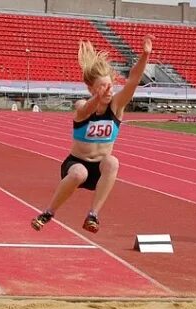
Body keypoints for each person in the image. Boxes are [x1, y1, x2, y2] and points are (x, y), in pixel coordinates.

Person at [31, 35, 153, 233]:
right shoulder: (82, 105)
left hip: (100, 169)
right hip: (76, 163)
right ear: (91, 89)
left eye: (109, 85)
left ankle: (93, 215)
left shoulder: (116, 106)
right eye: (101, 87)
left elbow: (133, 81)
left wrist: (145, 55)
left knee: (112, 161)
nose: (108, 90)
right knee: (80, 173)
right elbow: (85, 110)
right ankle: (49, 212)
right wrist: (98, 97)